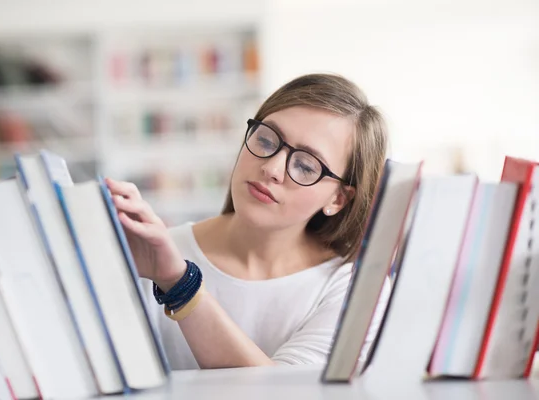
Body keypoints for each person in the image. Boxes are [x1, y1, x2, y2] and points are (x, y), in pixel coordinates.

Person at [105, 73, 390, 371]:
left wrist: (179, 284)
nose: (272, 168)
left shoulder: (354, 289)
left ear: (338, 200)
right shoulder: (148, 253)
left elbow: (282, 394)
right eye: (266, 140)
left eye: (306, 166)